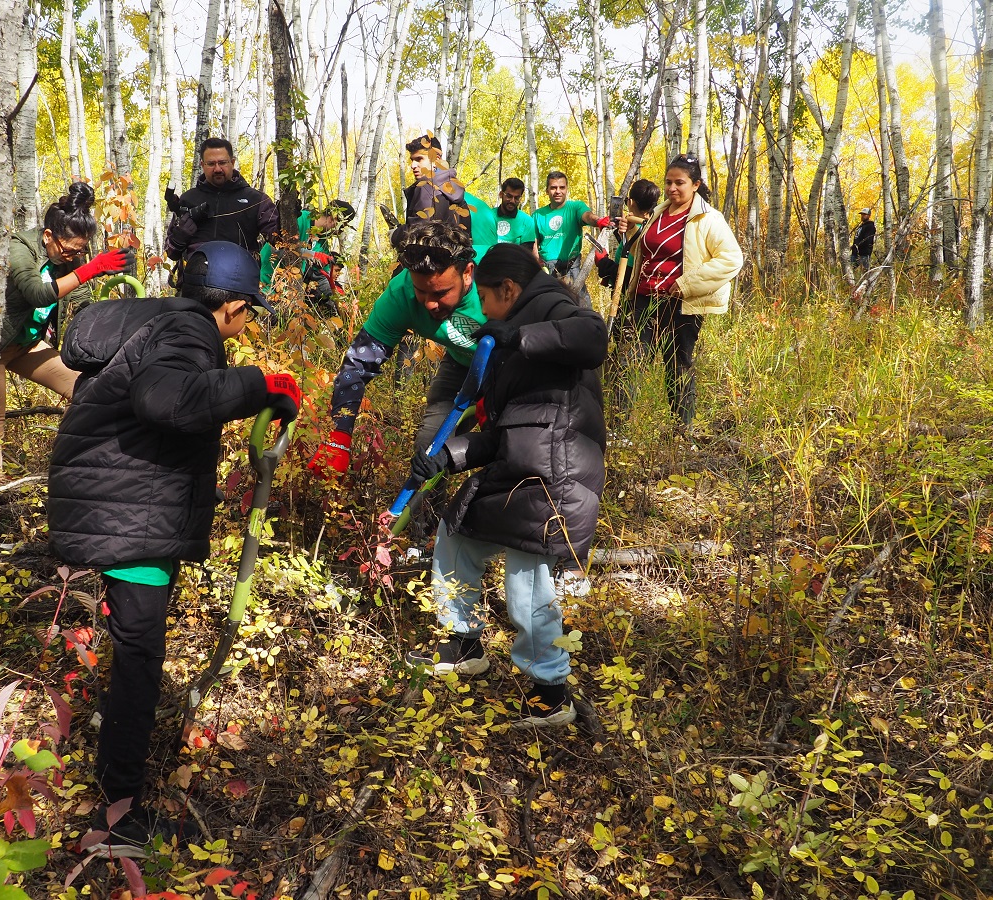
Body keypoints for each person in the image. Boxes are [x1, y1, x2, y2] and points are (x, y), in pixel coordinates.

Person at [48, 241, 301, 853]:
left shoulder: (158, 321)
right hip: (130, 518)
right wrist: (259, 384)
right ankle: (117, 820)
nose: (241, 330)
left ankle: (116, 788)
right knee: (138, 660)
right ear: (232, 308)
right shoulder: (189, 332)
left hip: (119, 509)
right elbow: (168, 400)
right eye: (246, 316)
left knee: (131, 649)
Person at [405, 243, 607, 728]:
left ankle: (550, 693)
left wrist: (517, 336)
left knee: (527, 583)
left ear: (509, 289)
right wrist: (444, 458)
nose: (480, 306)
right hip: (522, 465)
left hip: (553, 476)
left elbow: (593, 336)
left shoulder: (548, 305)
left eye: (486, 297)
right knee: (457, 538)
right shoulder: (510, 330)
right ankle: (464, 642)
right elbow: (506, 431)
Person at [0, 182, 133, 490]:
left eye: (80, 251)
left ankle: (70, 467)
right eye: (69, 250)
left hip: (26, 343)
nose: (73, 257)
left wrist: (108, 328)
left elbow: (81, 295)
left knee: (88, 390)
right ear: (48, 237)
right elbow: (37, 293)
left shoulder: (68, 254)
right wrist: (90, 268)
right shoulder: (18, 249)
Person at [306, 220, 486, 477]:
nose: (430, 304)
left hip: (517, 363)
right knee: (429, 450)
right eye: (421, 291)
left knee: (511, 445)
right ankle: (427, 515)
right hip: (462, 363)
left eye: (441, 293)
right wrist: (339, 434)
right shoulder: (401, 294)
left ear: (467, 272)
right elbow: (358, 365)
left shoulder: (498, 275)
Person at [620, 155, 743, 428]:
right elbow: (646, 252)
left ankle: (681, 429)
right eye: (668, 182)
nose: (672, 188)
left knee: (678, 364)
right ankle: (619, 427)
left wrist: (686, 284)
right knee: (630, 362)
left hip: (681, 305)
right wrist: (630, 232)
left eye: (680, 183)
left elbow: (731, 258)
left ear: (696, 184)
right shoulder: (657, 213)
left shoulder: (708, 219)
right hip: (643, 299)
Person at [164, 138, 279, 288]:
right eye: (211, 164)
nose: (217, 169)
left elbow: (279, 240)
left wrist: (287, 217)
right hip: (195, 286)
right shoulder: (187, 199)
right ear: (202, 165)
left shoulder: (255, 200)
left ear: (232, 162)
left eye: (222, 162)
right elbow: (171, 253)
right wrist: (180, 236)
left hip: (239, 286)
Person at [258, 199, 355, 313]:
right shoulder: (299, 220)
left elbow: (321, 275)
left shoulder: (322, 242)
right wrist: (312, 255)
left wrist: (337, 294)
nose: (340, 231)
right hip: (266, 284)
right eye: (342, 226)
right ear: (333, 218)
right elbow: (280, 248)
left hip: (289, 293)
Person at [386, 134, 472, 250]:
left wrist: (395, 235)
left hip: (432, 263)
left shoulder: (426, 187)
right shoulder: (454, 187)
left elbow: (419, 231)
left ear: (436, 159)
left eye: (419, 159)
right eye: (412, 160)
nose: (413, 165)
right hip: (455, 262)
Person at [532, 170, 600, 282]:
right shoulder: (538, 215)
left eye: (562, 187)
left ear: (566, 189)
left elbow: (587, 216)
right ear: (547, 191)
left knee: (580, 299)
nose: (558, 191)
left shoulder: (575, 207)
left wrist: (599, 221)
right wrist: (538, 264)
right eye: (553, 188)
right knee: (548, 299)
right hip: (547, 269)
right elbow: (534, 244)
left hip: (572, 267)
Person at [596, 179, 661, 290]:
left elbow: (628, 274)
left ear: (630, 202)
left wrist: (602, 262)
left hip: (628, 295)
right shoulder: (656, 225)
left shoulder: (638, 228)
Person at [466, 178, 537, 257]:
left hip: (513, 265)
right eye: (509, 196)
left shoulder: (527, 221)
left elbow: (526, 252)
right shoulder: (488, 215)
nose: (512, 201)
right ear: (501, 194)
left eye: (516, 198)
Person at [851, 208, 876, 272]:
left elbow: (867, 240)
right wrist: (854, 246)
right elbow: (857, 238)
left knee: (865, 272)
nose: (862, 216)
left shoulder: (870, 227)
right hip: (855, 253)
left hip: (864, 253)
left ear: (869, 215)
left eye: (864, 214)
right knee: (850, 270)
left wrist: (857, 245)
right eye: (862, 214)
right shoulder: (861, 226)